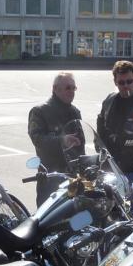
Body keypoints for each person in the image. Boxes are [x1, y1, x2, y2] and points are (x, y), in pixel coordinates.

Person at [96, 60, 133, 182]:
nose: (126, 86)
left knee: (131, 194)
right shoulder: (109, 100)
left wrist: (124, 141)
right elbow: (101, 123)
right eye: (121, 82)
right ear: (115, 82)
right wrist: (99, 144)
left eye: (129, 81)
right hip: (110, 163)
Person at [28, 72, 82, 206]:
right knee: (48, 217)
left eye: (73, 88)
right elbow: (37, 139)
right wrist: (61, 141)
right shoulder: (39, 111)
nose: (71, 91)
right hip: (50, 177)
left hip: (73, 177)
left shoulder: (75, 111)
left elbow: (80, 144)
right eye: (67, 88)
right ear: (55, 89)